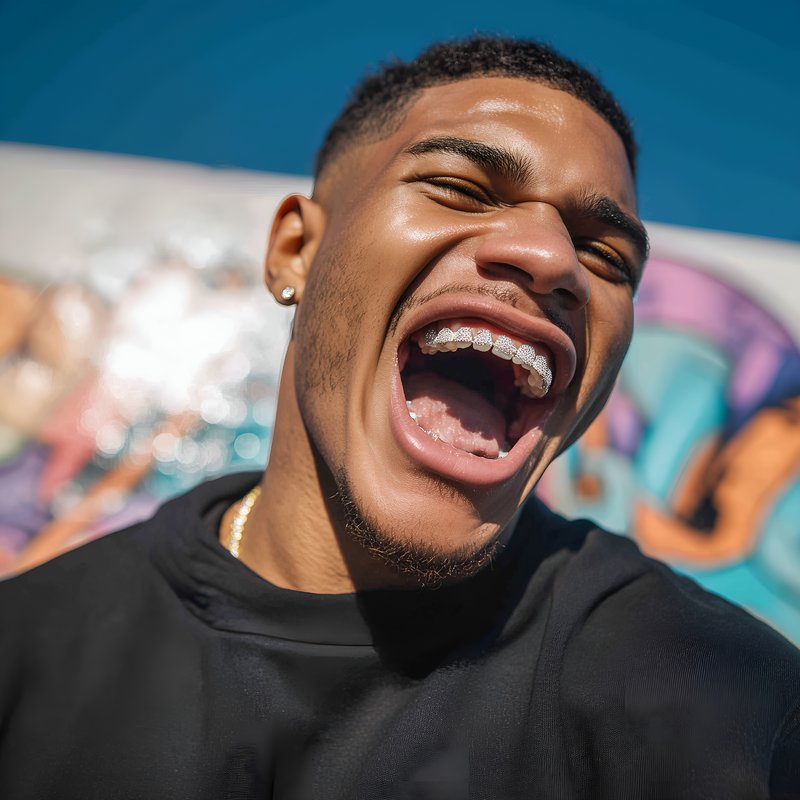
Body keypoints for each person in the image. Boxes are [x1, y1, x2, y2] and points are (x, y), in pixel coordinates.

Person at [1, 35, 798, 799]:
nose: (553, 258)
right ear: (295, 253)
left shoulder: (738, 710)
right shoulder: (27, 653)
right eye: (461, 188)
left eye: (607, 257)